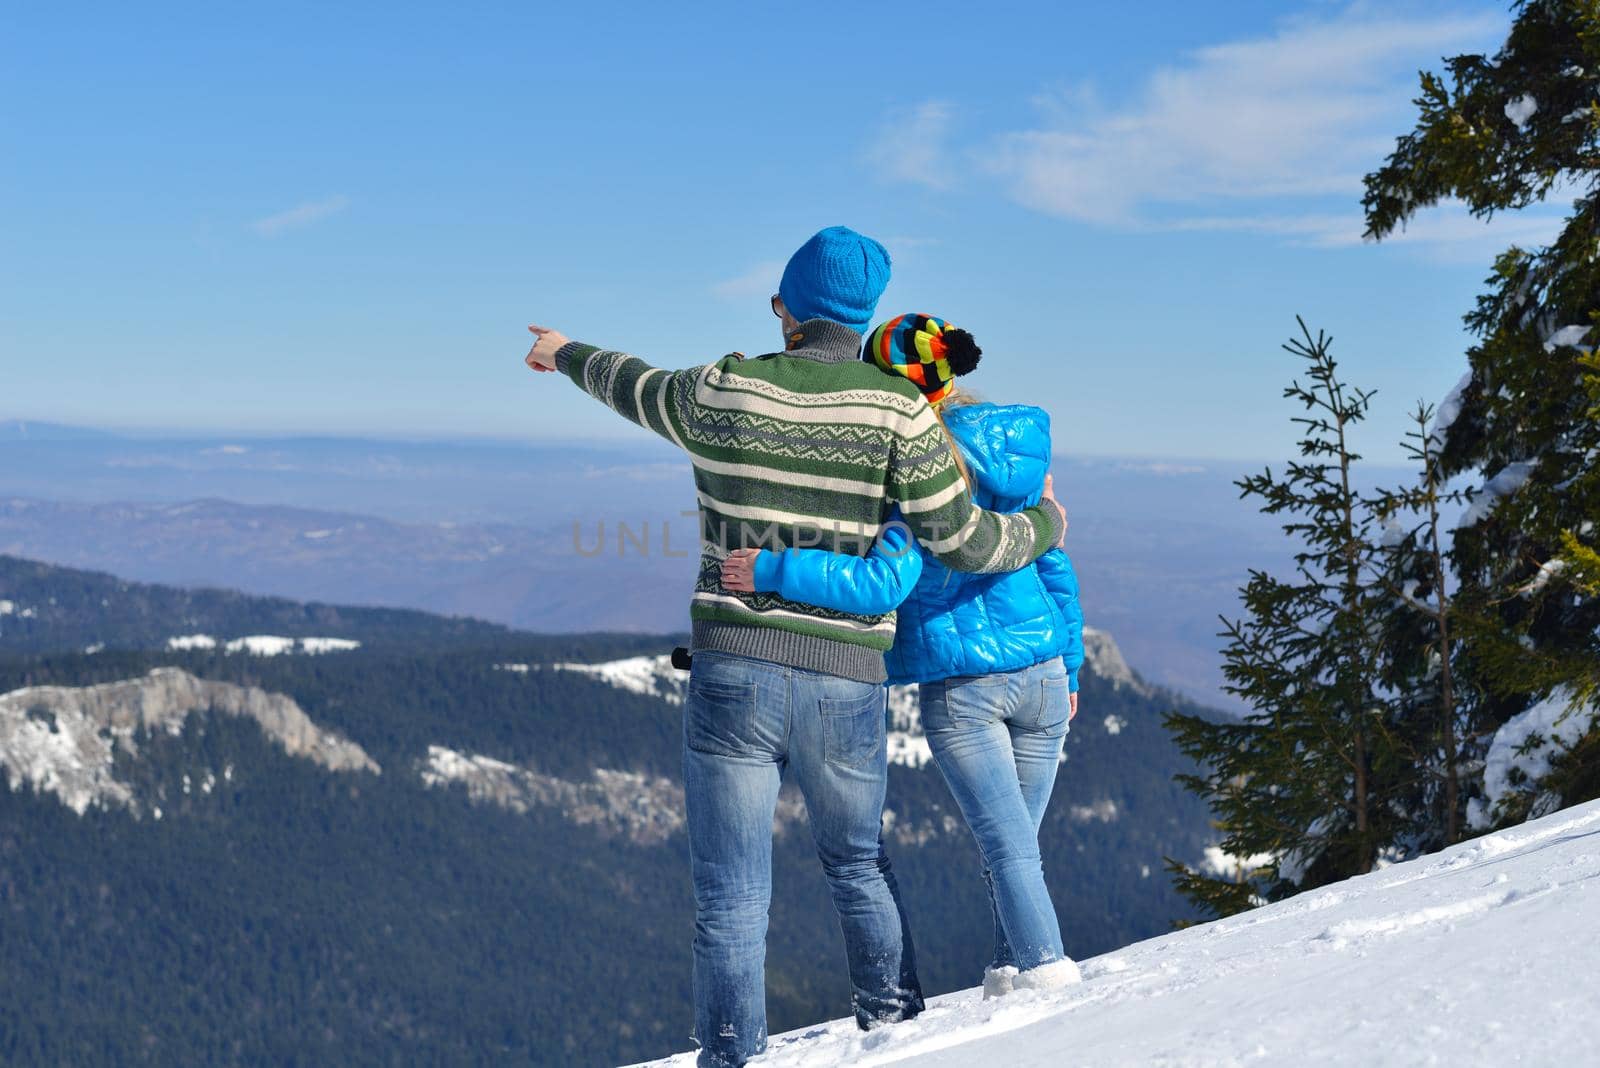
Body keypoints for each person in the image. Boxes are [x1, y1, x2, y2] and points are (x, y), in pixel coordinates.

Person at [522, 228, 1066, 1068]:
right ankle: (894, 1036)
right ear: (865, 315)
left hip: (733, 671)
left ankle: (731, 1056)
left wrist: (563, 354)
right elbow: (960, 540)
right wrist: (1045, 524)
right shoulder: (898, 411)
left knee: (731, 895)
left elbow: (633, 384)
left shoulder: (726, 387)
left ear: (788, 310)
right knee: (856, 864)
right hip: (847, 681)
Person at [721, 313, 1085, 997]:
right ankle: (1010, 978)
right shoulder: (1020, 452)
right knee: (1018, 852)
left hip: (965, 686)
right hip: (1041, 673)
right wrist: (1070, 664)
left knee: (1008, 850)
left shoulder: (912, 470)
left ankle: (1049, 985)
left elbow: (881, 583)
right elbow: (1055, 564)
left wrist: (772, 571)